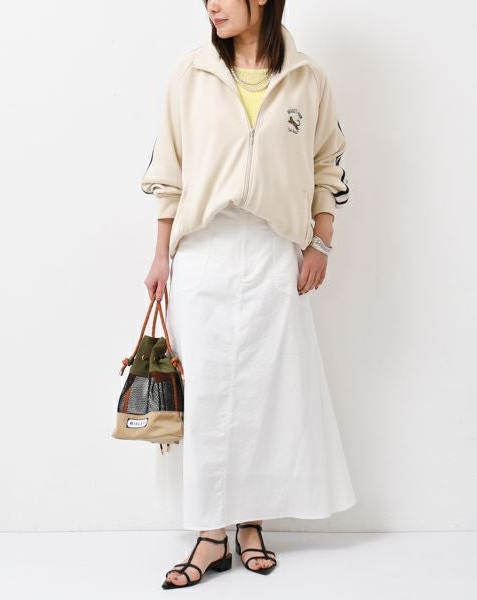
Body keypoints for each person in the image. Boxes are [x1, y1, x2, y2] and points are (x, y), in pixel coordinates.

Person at [141, 0, 356, 589]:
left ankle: (252, 523)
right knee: (207, 393)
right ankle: (211, 534)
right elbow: (169, 169)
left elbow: (327, 163)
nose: (211, 5)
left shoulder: (307, 77)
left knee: (267, 390)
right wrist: (161, 254)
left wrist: (321, 242)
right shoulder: (192, 73)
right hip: (205, 249)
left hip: (273, 248)